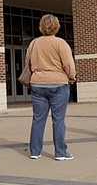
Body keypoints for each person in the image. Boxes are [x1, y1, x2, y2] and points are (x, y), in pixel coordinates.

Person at [27, 14, 77, 160]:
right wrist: (71, 77)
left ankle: (35, 151)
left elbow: (28, 64)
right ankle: (60, 152)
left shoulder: (34, 43)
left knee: (38, 119)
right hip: (58, 84)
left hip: (37, 83)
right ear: (57, 26)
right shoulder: (60, 43)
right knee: (58, 120)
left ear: (41, 26)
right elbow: (68, 64)